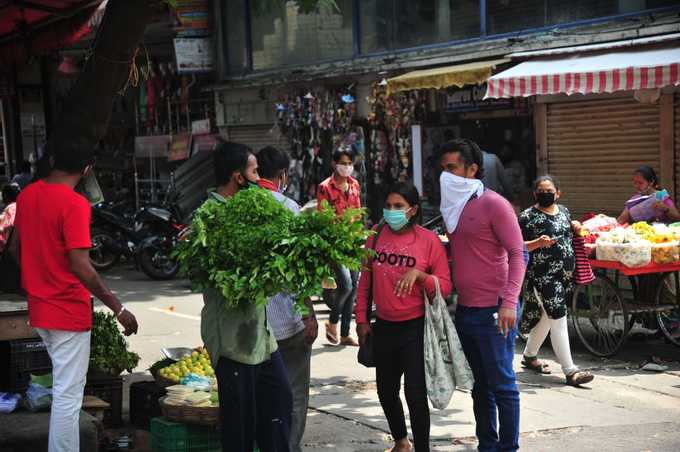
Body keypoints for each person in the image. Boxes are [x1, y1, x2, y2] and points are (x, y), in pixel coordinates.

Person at [13, 146, 138, 452]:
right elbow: (82, 266)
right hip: (68, 312)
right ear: (86, 171)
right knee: (68, 399)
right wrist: (118, 308)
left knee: (64, 394)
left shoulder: (27, 195)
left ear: (53, 161)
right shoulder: (75, 204)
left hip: (40, 309)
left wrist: (38, 277)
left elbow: (16, 248)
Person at [200, 141, 293, 452]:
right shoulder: (209, 216)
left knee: (279, 403)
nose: (259, 178)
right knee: (240, 426)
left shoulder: (252, 208)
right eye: (254, 171)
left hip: (262, 337)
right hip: (231, 340)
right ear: (238, 177)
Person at [439, 138, 526, 452]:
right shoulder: (452, 206)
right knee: (480, 388)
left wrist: (509, 302)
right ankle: (487, 445)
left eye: (452, 168)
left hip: (495, 310)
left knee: (503, 386)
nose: (445, 175)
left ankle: (508, 447)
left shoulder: (494, 204)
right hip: (466, 310)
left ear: (472, 169)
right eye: (443, 169)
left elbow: (518, 254)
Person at [356, 182, 452, 452]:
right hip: (383, 326)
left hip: (416, 328)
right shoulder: (375, 236)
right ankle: (401, 442)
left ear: (412, 211)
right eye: (388, 206)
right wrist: (361, 320)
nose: (391, 211)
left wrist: (422, 277)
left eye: (398, 207)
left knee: (415, 394)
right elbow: (365, 282)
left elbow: (445, 287)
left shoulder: (429, 241)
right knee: (385, 391)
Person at [256, 146, 318, 452]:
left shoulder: (240, 207)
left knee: (260, 398)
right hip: (286, 322)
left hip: (252, 325)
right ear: (283, 175)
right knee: (292, 395)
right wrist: (309, 314)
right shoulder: (288, 208)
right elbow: (300, 270)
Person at [519, 175, 594, 387]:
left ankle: (529, 355)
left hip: (565, 276)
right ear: (535, 194)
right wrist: (536, 243)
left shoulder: (564, 212)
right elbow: (516, 245)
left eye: (549, 191)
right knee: (559, 318)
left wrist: (577, 228)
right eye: (541, 191)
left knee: (547, 317)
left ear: (558, 193)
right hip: (542, 277)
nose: (545, 194)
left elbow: (569, 235)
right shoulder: (526, 217)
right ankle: (571, 371)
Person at [317, 146, 361, 346]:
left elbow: (358, 213)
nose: (347, 167)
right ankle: (332, 323)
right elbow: (322, 217)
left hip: (353, 243)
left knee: (353, 289)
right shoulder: (325, 187)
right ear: (335, 164)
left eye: (350, 163)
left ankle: (344, 333)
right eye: (343, 163)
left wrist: (361, 238)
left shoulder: (354, 185)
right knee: (346, 285)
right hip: (334, 244)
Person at [0, 184, 20, 253]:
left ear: (5, 196)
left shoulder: (12, 207)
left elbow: (11, 223)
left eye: (3, 196)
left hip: (9, 249)